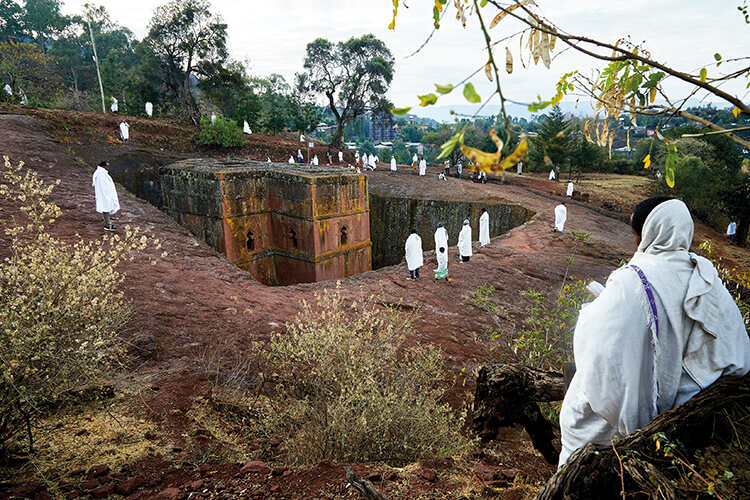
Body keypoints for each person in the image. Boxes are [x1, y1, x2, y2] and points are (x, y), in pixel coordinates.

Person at [558, 197, 750, 467]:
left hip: (636, 423)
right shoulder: (707, 277)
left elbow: (600, 353)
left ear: (642, 235)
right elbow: (733, 352)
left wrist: (594, 313)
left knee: (579, 418)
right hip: (695, 412)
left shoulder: (631, 280)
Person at [92, 161, 120, 231]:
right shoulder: (101, 174)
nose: (108, 168)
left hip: (105, 194)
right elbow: (103, 186)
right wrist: (107, 195)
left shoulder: (101, 173)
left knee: (106, 208)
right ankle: (107, 225)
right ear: (103, 166)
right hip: (105, 195)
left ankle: (107, 224)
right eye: (106, 166)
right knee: (105, 208)